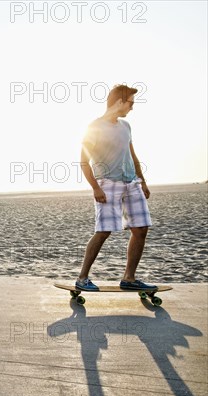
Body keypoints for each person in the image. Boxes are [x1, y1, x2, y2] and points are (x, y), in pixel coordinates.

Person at [76, 84, 156, 291]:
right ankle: (82, 278)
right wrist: (95, 188)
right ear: (120, 101)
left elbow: (133, 155)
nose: (132, 107)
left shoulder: (126, 127)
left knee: (141, 230)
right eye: (131, 102)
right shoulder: (94, 127)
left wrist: (142, 180)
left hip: (131, 183)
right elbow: (83, 161)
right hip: (107, 184)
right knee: (103, 231)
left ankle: (129, 278)